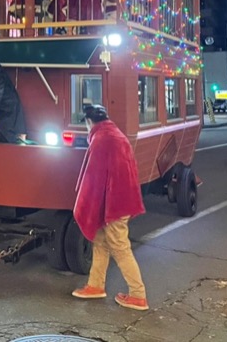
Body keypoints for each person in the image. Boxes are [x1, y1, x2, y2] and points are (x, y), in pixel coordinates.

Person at [71, 104, 148, 310]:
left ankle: (138, 295)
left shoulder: (101, 139)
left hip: (114, 206)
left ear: (89, 122)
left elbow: (93, 179)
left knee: (120, 248)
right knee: (101, 243)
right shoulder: (115, 134)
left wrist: (86, 205)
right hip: (121, 201)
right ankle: (95, 285)